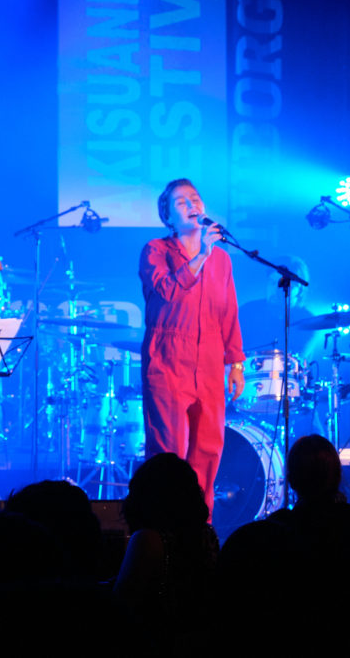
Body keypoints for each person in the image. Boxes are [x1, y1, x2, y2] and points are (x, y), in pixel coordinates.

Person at [139, 178, 245, 518]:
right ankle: (163, 531)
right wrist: (200, 256)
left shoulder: (222, 260)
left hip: (211, 360)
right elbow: (168, 291)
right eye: (181, 201)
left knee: (208, 452)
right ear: (167, 216)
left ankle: (200, 531)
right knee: (170, 453)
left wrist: (236, 364)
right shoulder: (156, 250)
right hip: (168, 358)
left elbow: (229, 312)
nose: (192, 205)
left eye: (195, 199)